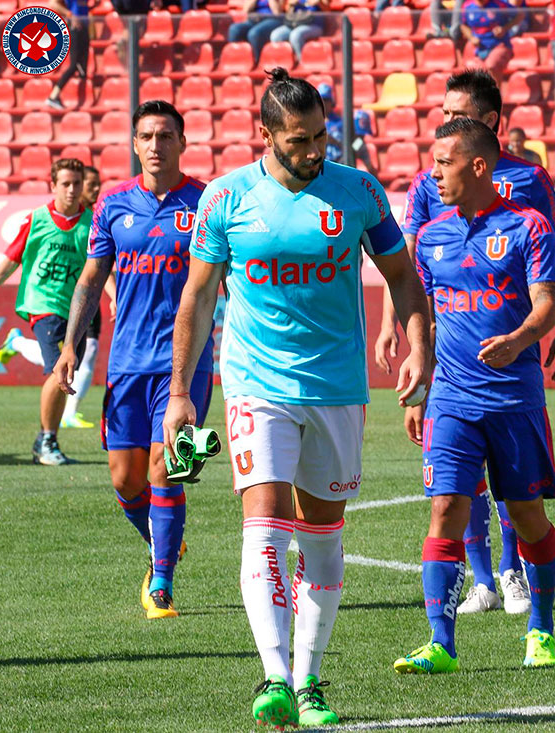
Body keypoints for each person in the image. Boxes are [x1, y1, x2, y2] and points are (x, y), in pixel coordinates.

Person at [163, 69, 431, 728]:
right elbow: (197, 297)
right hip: (257, 380)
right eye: (299, 140)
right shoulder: (226, 199)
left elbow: (403, 276)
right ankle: (275, 675)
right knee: (265, 519)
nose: (314, 151)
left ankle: (311, 678)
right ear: (267, 135)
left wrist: (421, 346)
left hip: (338, 385)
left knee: (324, 539)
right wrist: (179, 392)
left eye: (320, 137)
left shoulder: (358, 190)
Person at [377, 69, 555, 616]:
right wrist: (408, 345)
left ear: (486, 127)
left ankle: (518, 580)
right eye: (442, 115)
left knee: (521, 500)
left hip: (512, 379)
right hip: (452, 380)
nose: (445, 124)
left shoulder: (529, 193)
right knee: (450, 499)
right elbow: (412, 283)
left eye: (456, 117)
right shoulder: (428, 193)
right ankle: (475, 588)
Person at [51, 102, 209, 620]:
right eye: (147, 136)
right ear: (135, 145)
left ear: (182, 142)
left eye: (166, 135)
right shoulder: (113, 205)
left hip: (186, 366)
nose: (156, 145)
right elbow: (92, 278)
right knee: (124, 478)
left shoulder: (207, 202)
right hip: (127, 363)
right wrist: (71, 345)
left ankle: (160, 580)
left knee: (169, 469)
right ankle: (164, 540)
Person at [0, 158, 89, 465]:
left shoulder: (90, 222)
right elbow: (10, 261)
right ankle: (46, 441)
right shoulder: (36, 220)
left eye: (77, 183)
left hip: (74, 310)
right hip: (43, 305)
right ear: (53, 186)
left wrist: (114, 297)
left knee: (66, 370)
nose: (72, 189)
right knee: (59, 369)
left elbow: (100, 269)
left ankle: (17, 345)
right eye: (66, 183)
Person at [60, 165, 112, 429]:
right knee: (72, 352)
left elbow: (106, 266)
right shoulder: (73, 222)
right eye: (90, 184)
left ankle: (70, 410)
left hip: (90, 296)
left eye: (96, 184)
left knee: (87, 350)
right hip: (70, 297)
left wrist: (114, 294)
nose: (95, 189)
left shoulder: (95, 217)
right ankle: (19, 344)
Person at [318, 83, 375, 173]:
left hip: (339, 166)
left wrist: (336, 142)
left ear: (331, 101)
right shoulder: (313, 124)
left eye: (326, 100)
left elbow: (354, 146)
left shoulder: (342, 123)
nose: (323, 103)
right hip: (320, 168)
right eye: (321, 100)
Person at [461, 0, 524, 81]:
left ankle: (495, 92)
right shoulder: (467, 6)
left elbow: (520, 15)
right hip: (479, 48)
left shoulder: (499, 4)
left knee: (491, 65)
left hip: (499, 44)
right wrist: (471, 38)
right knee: (477, 71)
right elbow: (463, 25)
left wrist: (504, 28)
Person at [45, 0, 89, 111]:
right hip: (75, 27)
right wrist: (70, 14)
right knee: (74, 65)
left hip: (84, 27)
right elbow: (53, 4)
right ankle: (53, 96)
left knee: (82, 69)